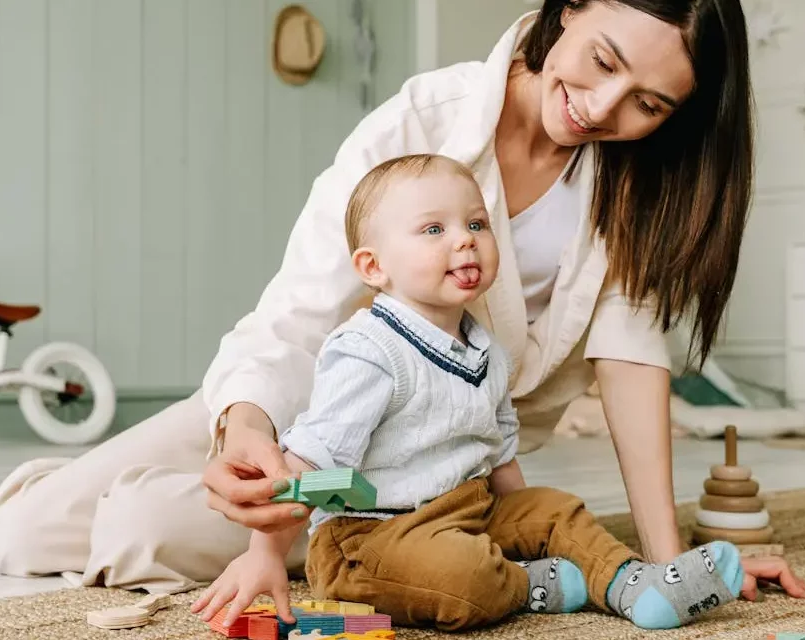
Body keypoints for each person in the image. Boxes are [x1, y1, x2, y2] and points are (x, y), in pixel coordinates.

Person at [0, 0, 805, 602]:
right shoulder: (422, 119)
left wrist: (668, 564)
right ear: (572, 8)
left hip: (432, 459)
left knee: (138, 529)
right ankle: (226, 494)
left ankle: (389, 539)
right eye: (602, 61)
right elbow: (297, 315)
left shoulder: (638, 188)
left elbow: (631, 363)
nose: (602, 108)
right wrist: (243, 430)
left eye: (648, 104)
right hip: (312, 399)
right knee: (23, 530)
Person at [188, 152, 749, 632]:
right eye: (435, 230)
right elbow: (310, 466)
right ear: (373, 266)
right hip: (371, 540)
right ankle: (528, 585)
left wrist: (529, 526)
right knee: (464, 575)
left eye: (477, 225)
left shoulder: (484, 346)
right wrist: (264, 552)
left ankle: (636, 586)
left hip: (467, 509)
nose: (465, 241)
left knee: (557, 510)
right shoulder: (369, 351)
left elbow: (498, 450)